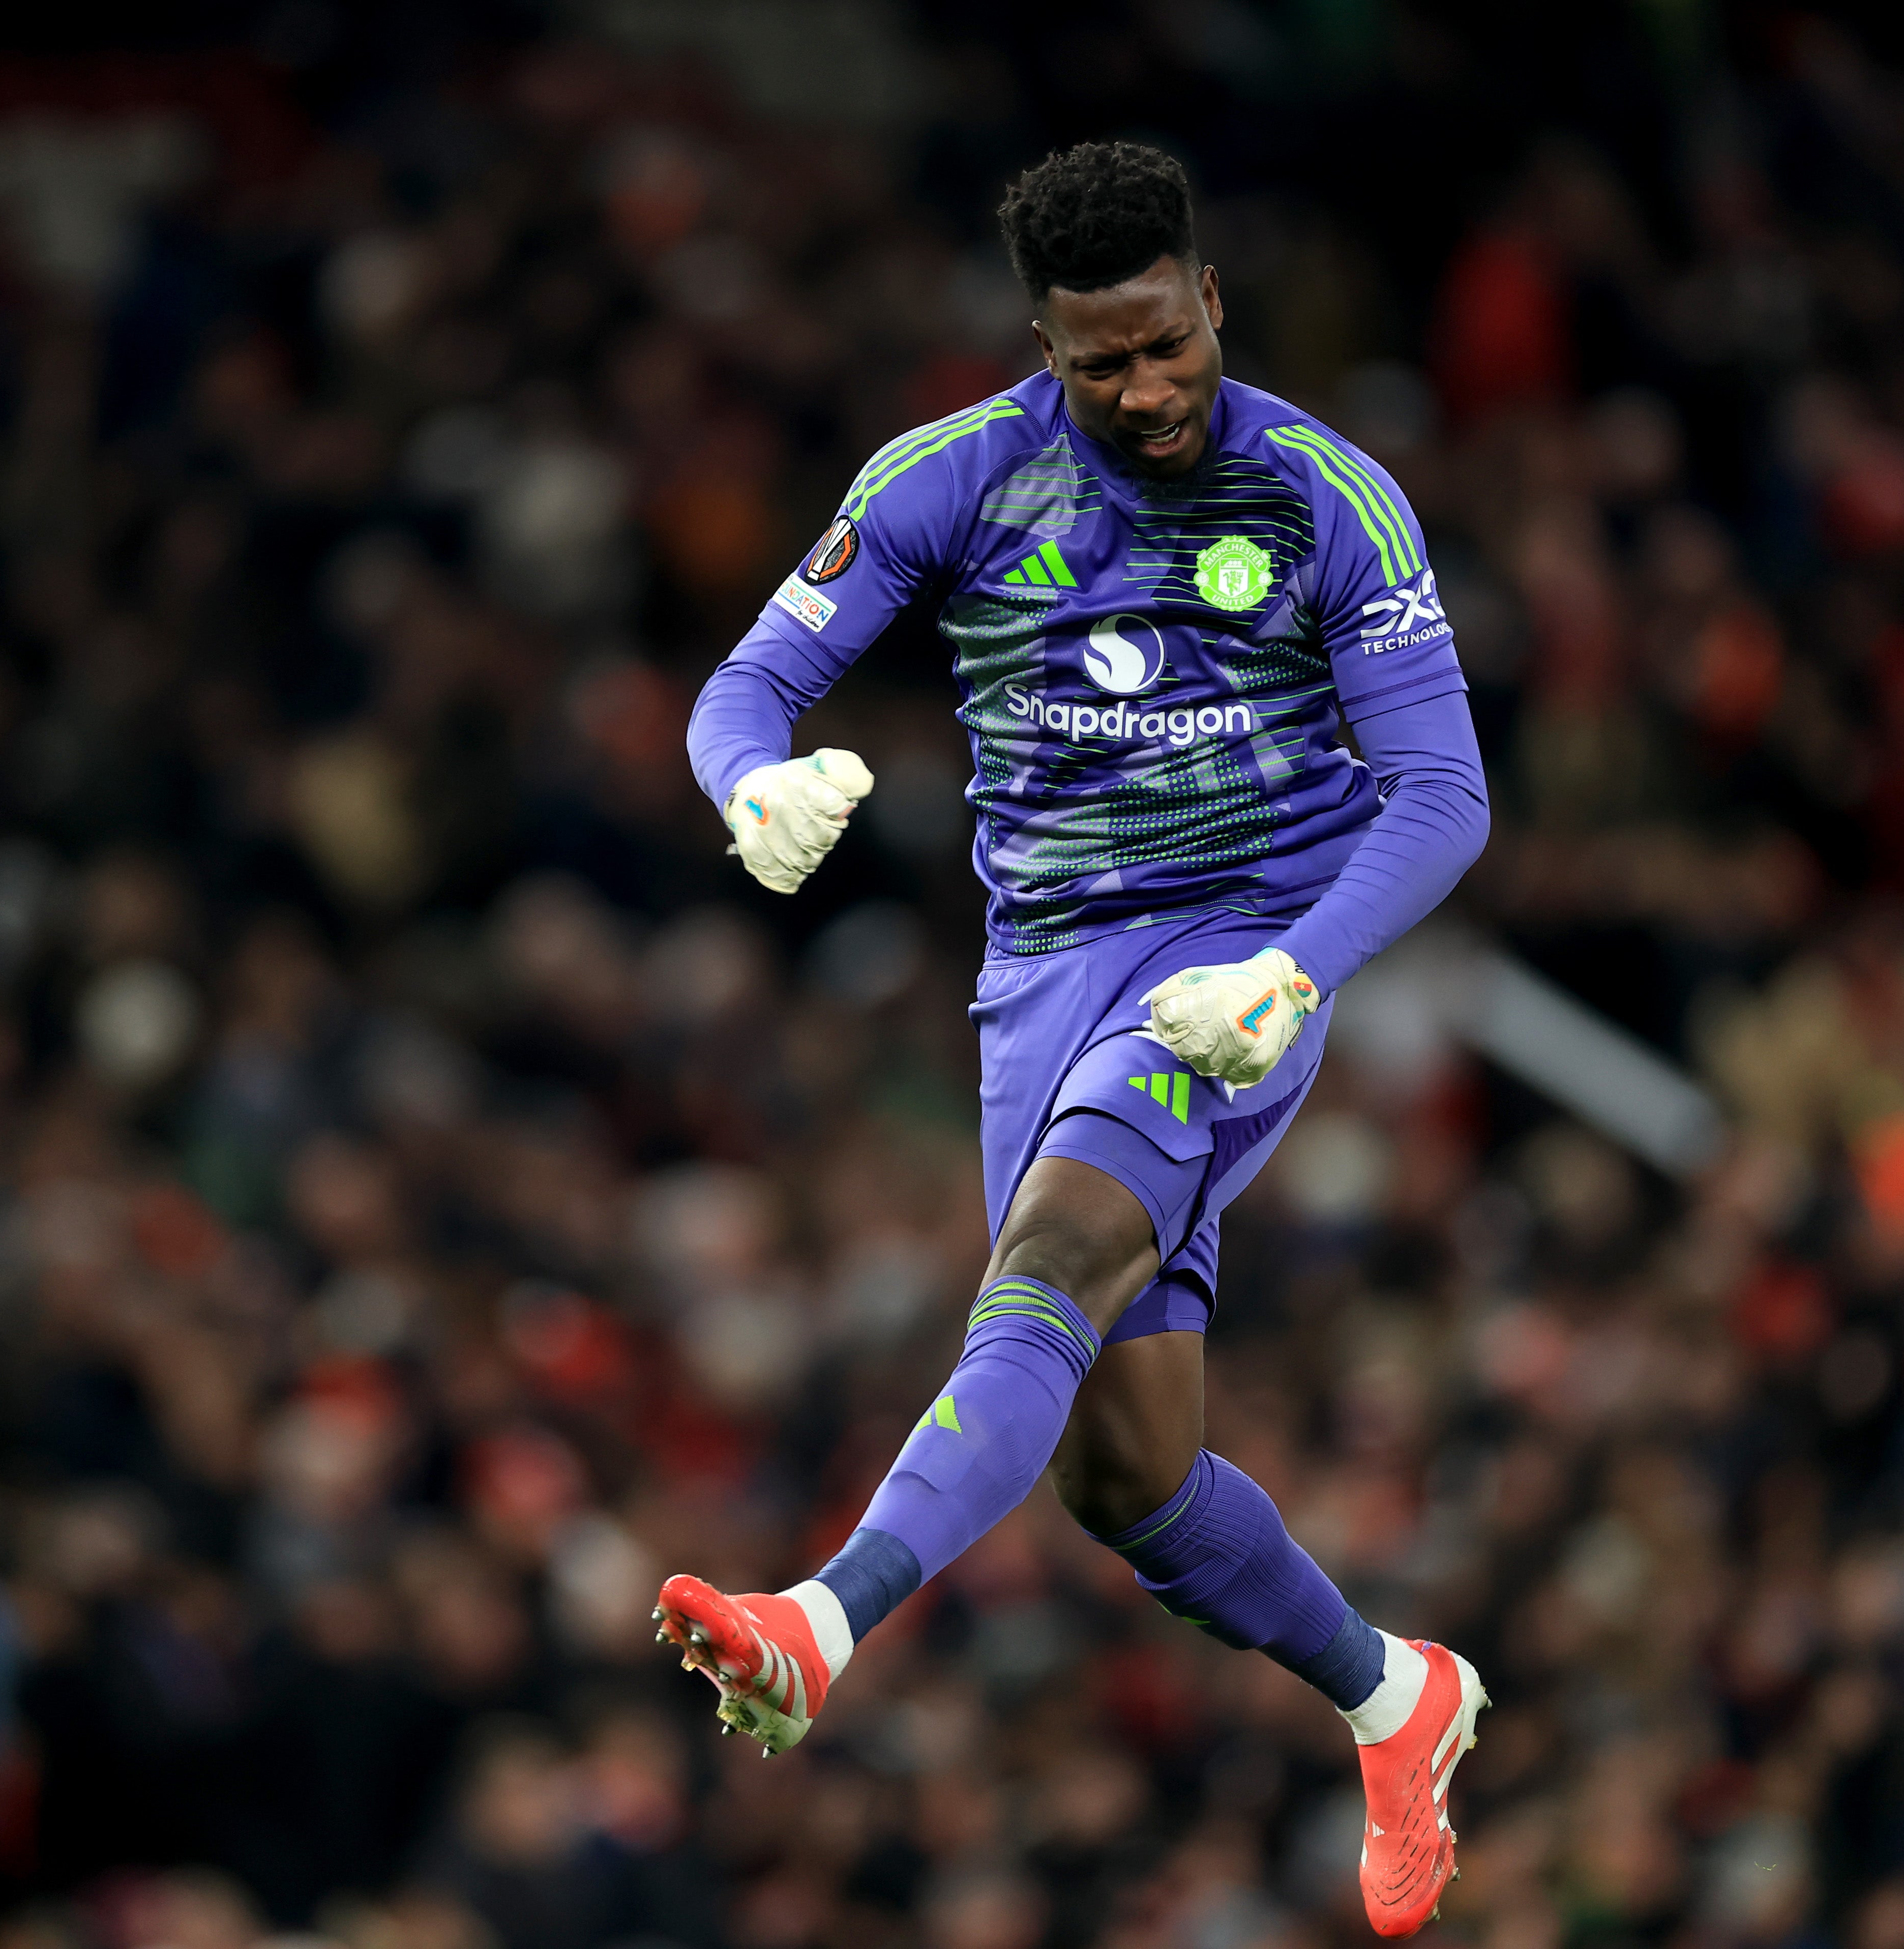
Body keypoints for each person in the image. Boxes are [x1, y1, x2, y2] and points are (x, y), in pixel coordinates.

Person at [661, 140, 1495, 1936]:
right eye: (1094, 363)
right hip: (1041, 975)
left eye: (1163, 346)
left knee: (1044, 1256)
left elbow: (1441, 793)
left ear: (1210, 302)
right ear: (1040, 345)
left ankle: (820, 1621)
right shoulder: (951, 480)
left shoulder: (1319, 492)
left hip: (1231, 959)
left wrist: (1296, 972)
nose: (1142, 391)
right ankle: (1388, 1694)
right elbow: (746, 686)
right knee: (1129, 1480)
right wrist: (752, 784)